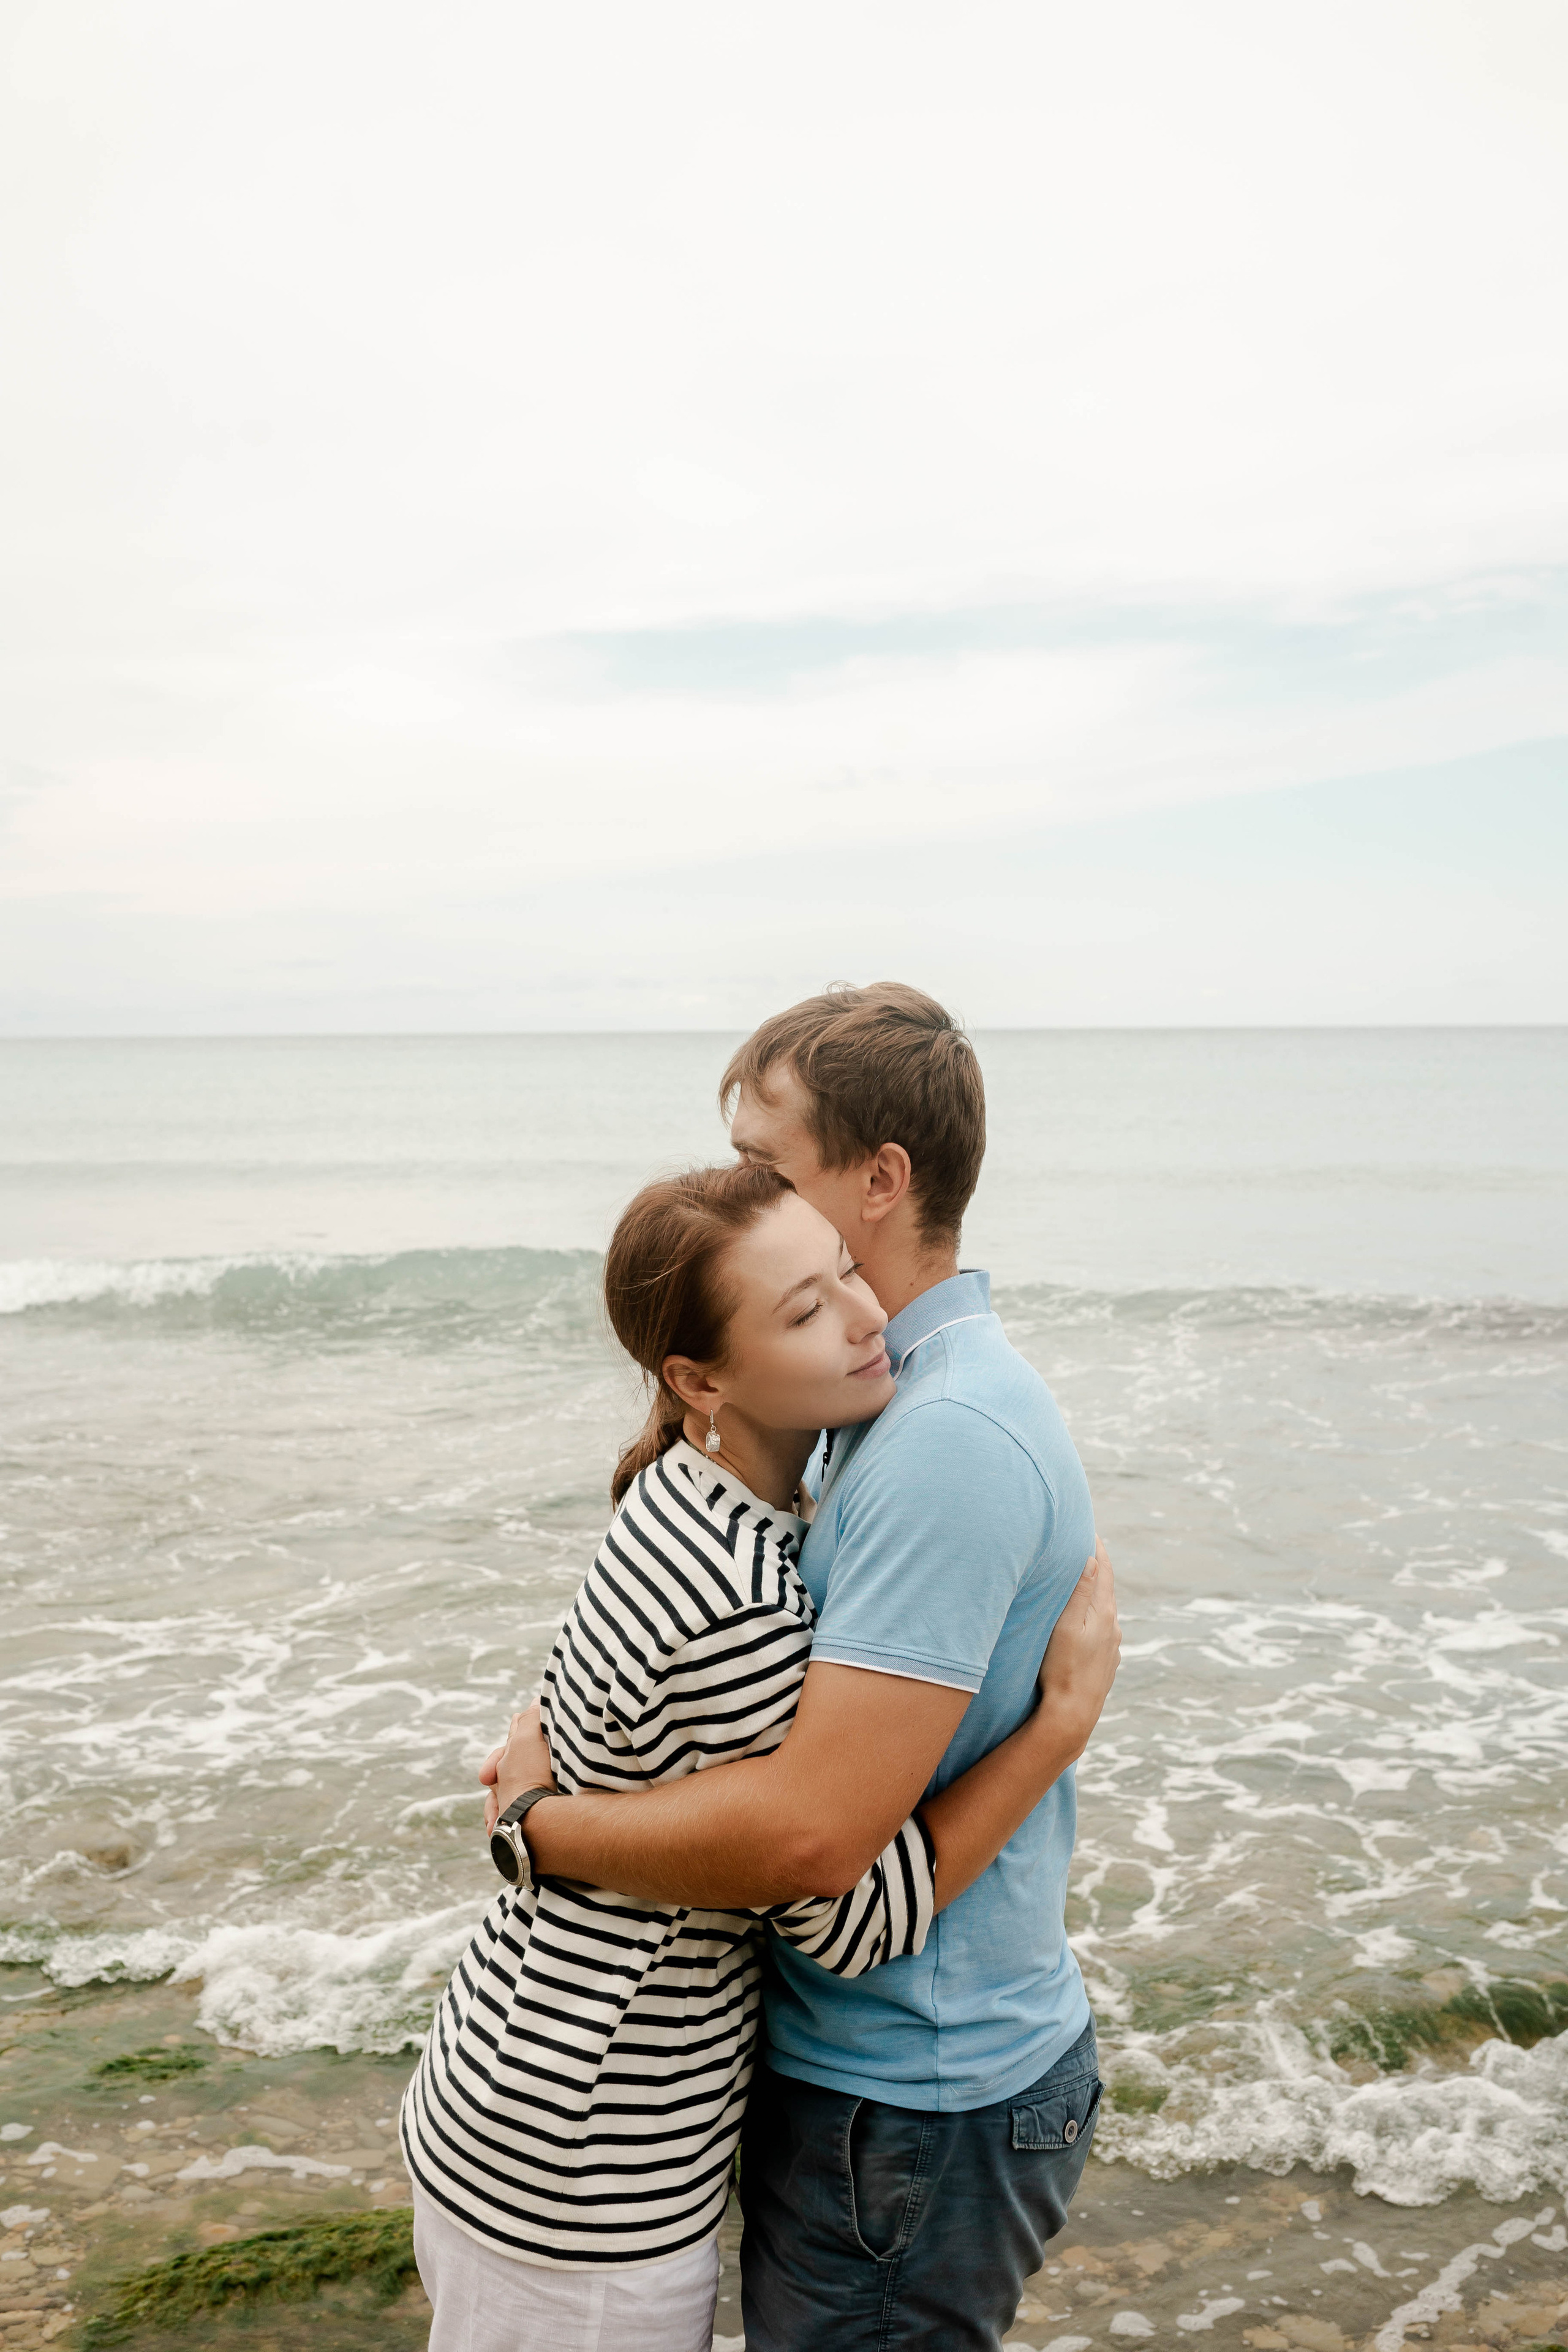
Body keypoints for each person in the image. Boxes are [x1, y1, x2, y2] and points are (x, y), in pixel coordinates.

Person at [480, 984, 1112, 2351]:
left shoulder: (940, 1435)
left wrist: (540, 1825)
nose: (742, 1192)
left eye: (765, 1164)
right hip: (859, 2079)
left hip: (913, 2088)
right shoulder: (859, 1404)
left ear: (878, 1181)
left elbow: (816, 1843)